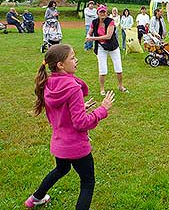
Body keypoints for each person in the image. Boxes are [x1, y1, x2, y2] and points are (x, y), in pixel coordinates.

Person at [24, 44, 115, 210]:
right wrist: (103, 109)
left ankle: (35, 199)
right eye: (72, 58)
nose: (76, 60)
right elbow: (80, 123)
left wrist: (80, 107)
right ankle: (37, 198)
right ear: (60, 64)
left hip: (60, 145)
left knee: (61, 169)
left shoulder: (49, 83)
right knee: (88, 182)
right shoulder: (73, 87)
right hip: (76, 146)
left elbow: (59, 114)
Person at [86, 5, 128, 95]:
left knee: (118, 68)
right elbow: (89, 32)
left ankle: (120, 86)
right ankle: (102, 89)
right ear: (97, 13)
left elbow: (108, 36)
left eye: (104, 12)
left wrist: (92, 38)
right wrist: (88, 36)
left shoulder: (110, 21)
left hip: (113, 46)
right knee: (103, 69)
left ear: (106, 13)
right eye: (100, 12)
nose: (102, 13)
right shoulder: (94, 22)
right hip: (101, 47)